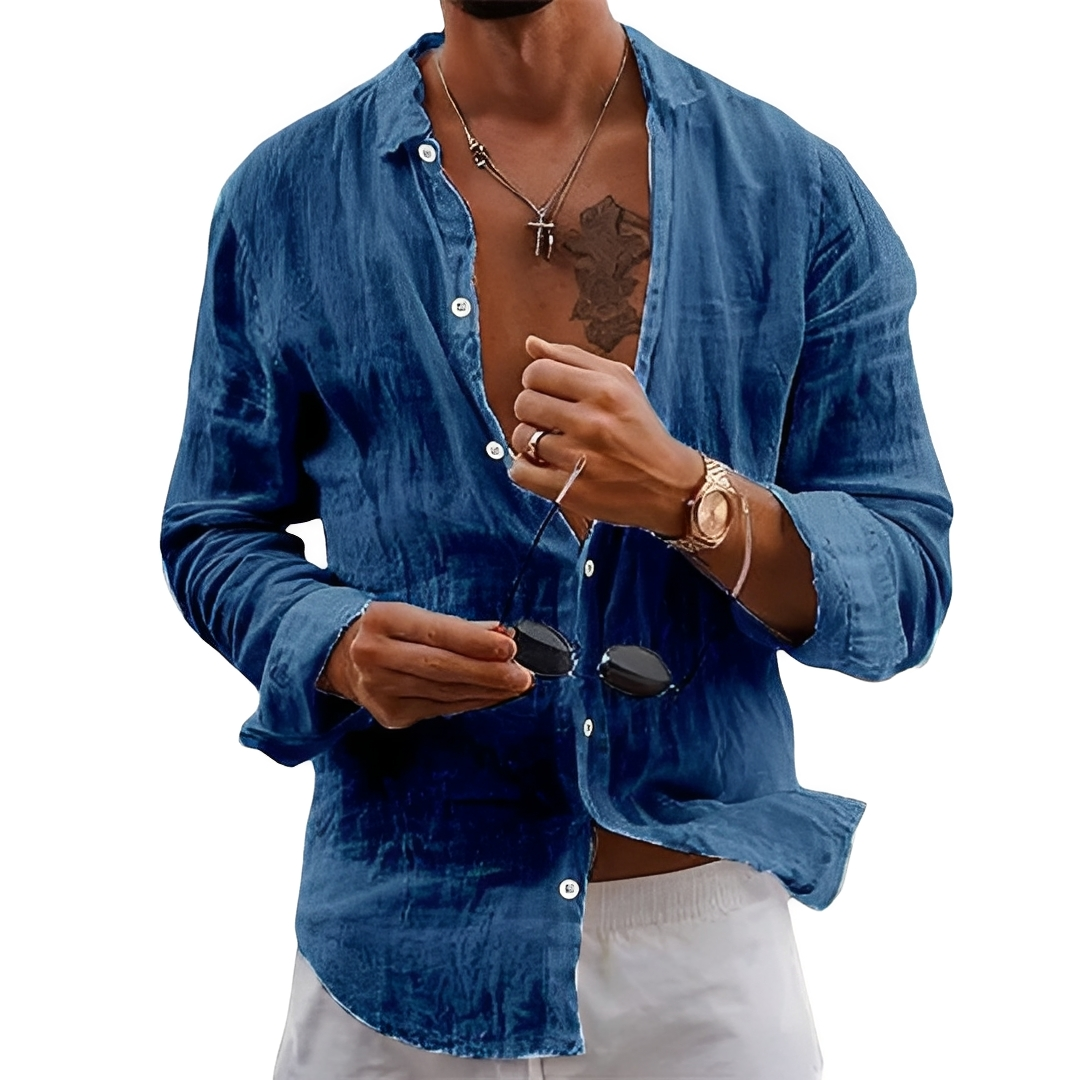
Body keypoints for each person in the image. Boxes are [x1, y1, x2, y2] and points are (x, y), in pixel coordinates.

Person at [162, 1, 952, 1076]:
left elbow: (905, 584)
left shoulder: (794, 188)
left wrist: (690, 496)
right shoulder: (287, 195)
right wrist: (333, 644)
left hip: (699, 955)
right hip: (395, 952)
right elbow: (214, 525)